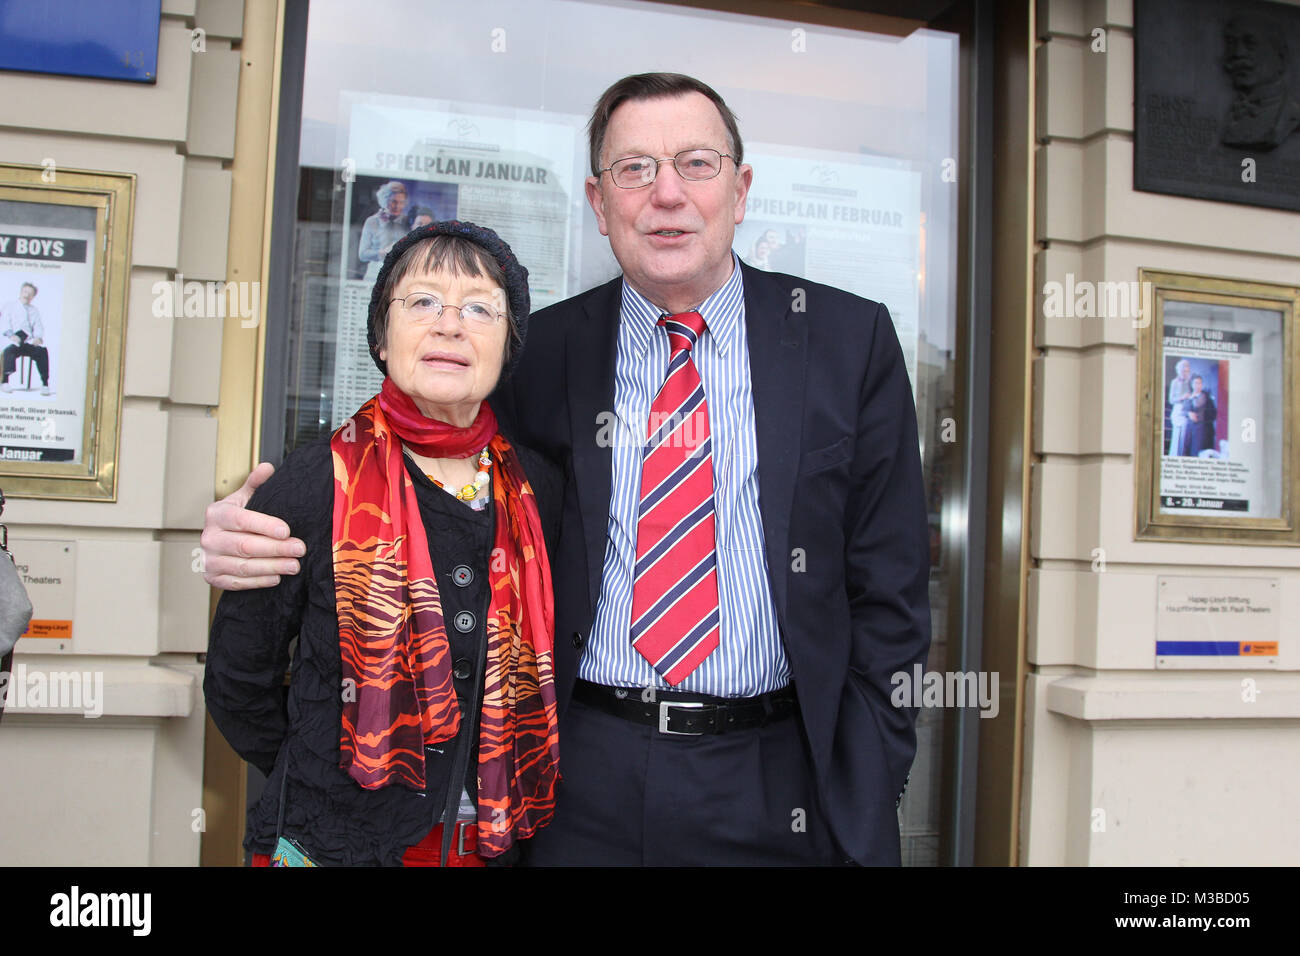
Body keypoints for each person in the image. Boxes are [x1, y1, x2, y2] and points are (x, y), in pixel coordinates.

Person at [202, 73, 931, 866]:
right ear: (598, 200)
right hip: (578, 781)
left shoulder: (844, 341)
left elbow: (890, 590)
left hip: (777, 778)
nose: (667, 195)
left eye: (695, 163)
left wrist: (869, 775)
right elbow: (425, 486)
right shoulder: (540, 352)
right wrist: (248, 538)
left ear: (740, 186)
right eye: (634, 169)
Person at [203, 221, 563, 866]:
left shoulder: (541, 489)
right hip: (331, 843)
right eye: (422, 302)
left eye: (480, 308)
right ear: (380, 333)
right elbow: (238, 679)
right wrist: (325, 767)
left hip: (490, 847)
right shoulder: (315, 480)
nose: (450, 326)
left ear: (508, 345)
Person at [1, 283, 51, 396]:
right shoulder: (10, 305)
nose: (27, 295)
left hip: (28, 341)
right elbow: (4, 322)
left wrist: (38, 337)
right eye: (25, 292)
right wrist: (11, 335)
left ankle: (45, 384)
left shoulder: (34, 310)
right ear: (20, 292)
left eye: (30, 294)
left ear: (33, 297)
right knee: (9, 351)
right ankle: (5, 381)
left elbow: (38, 326)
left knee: (42, 351)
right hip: (14, 339)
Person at [357, 181, 409, 280]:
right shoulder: (372, 221)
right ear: (384, 200)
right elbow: (362, 254)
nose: (397, 206)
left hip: (399, 274)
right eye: (393, 201)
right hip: (375, 274)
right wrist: (380, 254)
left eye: (401, 202)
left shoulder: (407, 221)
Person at [1180, 374, 1218, 457]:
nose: (1198, 385)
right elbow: (1182, 410)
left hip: (1202, 429)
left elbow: (1213, 414)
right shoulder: (1188, 397)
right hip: (1190, 428)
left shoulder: (1207, 397)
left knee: (1197, 452)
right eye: (1196, 383)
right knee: (1187, 451)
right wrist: (1188, 413)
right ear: (1192, 384)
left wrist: (1201, 418)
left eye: (1200, 383)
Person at [1167, 358, 1192, 456]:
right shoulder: (1174, 382)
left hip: (1187, 411)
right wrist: (1182, 397)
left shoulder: (1190, 382)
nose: (1184, 373)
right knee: (1177, 437)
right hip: (1178, 410)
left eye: (1186, 371)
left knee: (1185, 438)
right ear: (1178, 371)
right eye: (1182, 371)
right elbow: (1171, 400)